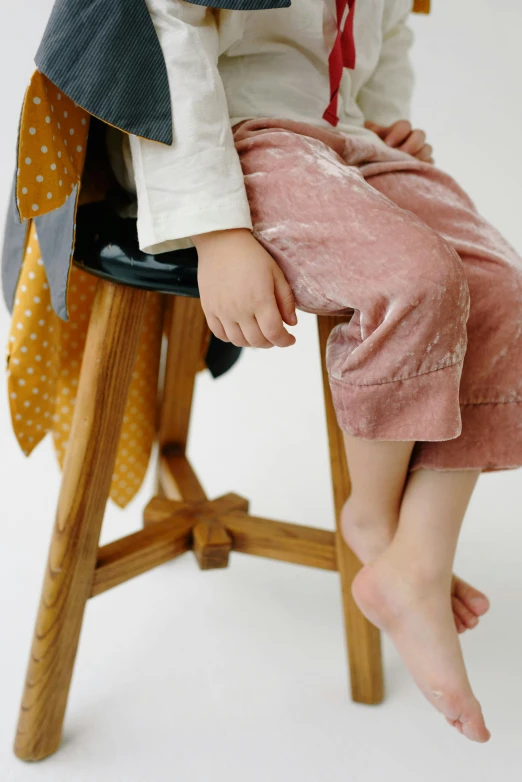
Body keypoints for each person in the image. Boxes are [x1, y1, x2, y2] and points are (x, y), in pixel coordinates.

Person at [104, 0, 522, 743]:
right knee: (412, 279)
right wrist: (215, 227)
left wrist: (385, 118)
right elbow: (165, 41)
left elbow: (383, 32)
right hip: (232, 137)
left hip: (344, 136)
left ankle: (414, 559)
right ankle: (375, 515)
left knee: (501, 294)